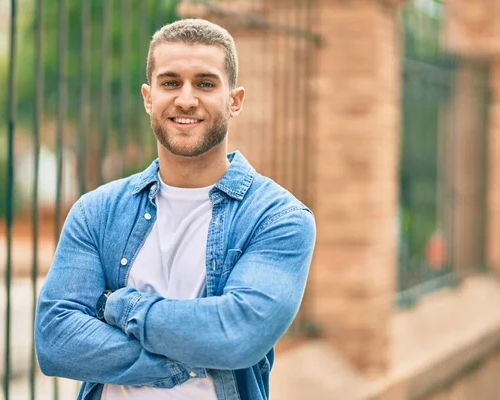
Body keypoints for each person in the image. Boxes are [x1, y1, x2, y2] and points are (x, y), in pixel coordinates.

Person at [35, 18, 316, 400]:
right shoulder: (96, 212)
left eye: (205, 83)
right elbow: (55, 340)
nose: (186, 99)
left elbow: (237, 334)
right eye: (170, 83)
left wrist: (121, 306)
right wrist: (184, 360)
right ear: (149, 97)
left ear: (235, 100)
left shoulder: (277, 218)